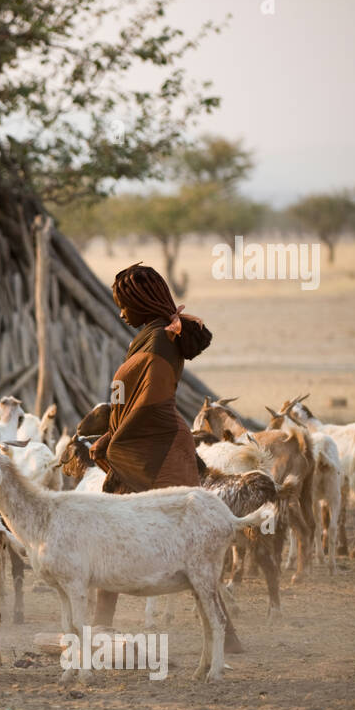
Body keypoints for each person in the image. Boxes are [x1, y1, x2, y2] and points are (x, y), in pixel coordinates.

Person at [87, 263, 243, 653]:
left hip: (157, 448)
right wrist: (110, 432)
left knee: (189, 542)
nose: (121, 313)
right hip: (141, 441)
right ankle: (99, 630)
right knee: (111, 537)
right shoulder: (146, 338)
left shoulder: (159, 342)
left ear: (141, 302)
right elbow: (131, 402)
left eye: (124, 304)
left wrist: (114, 442)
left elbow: (152, 406)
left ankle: (226, 638)